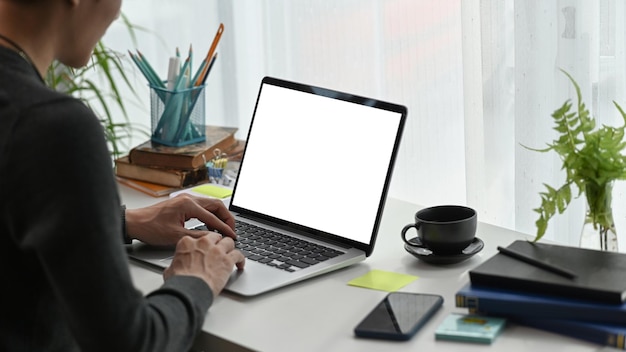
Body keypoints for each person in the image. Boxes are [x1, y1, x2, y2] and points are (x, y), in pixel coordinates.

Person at [0, 0, 245, 351]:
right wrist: (196, 278)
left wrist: (120, 222)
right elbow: (131, 343)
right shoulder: (53, 127)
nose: (117, 11)